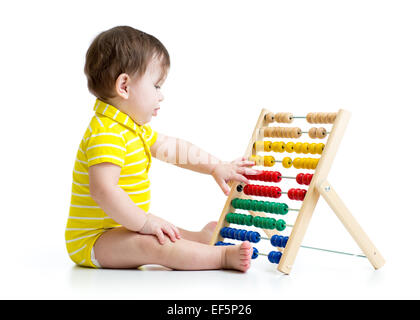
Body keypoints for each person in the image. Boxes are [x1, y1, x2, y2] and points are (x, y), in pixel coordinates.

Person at [65, 26, 258, 272]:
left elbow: (173, 148)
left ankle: (198, 240)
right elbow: (103, 191)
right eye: (156, 86)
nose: (161, 95)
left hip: (122, 227)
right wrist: (144, 222)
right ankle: (220, 257)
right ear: (124, 86)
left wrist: (215, 166)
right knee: (154, 244)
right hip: (93, 240)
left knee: (162, 232)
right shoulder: (106, 133)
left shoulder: (131, 127)